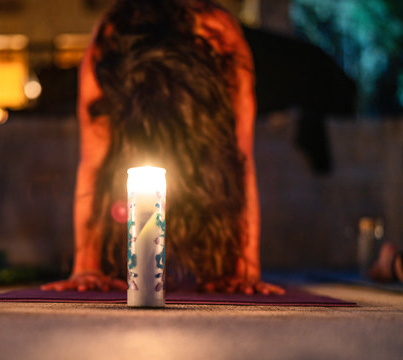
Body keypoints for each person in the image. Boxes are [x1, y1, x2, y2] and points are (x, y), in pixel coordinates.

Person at [42, 0, 284, 294]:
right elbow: (93, 163)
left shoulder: (220, 37)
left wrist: (245, 270)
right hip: (130, 157)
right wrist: (86, 267)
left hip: (204, 156)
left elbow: (241, 156)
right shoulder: (111, 41)